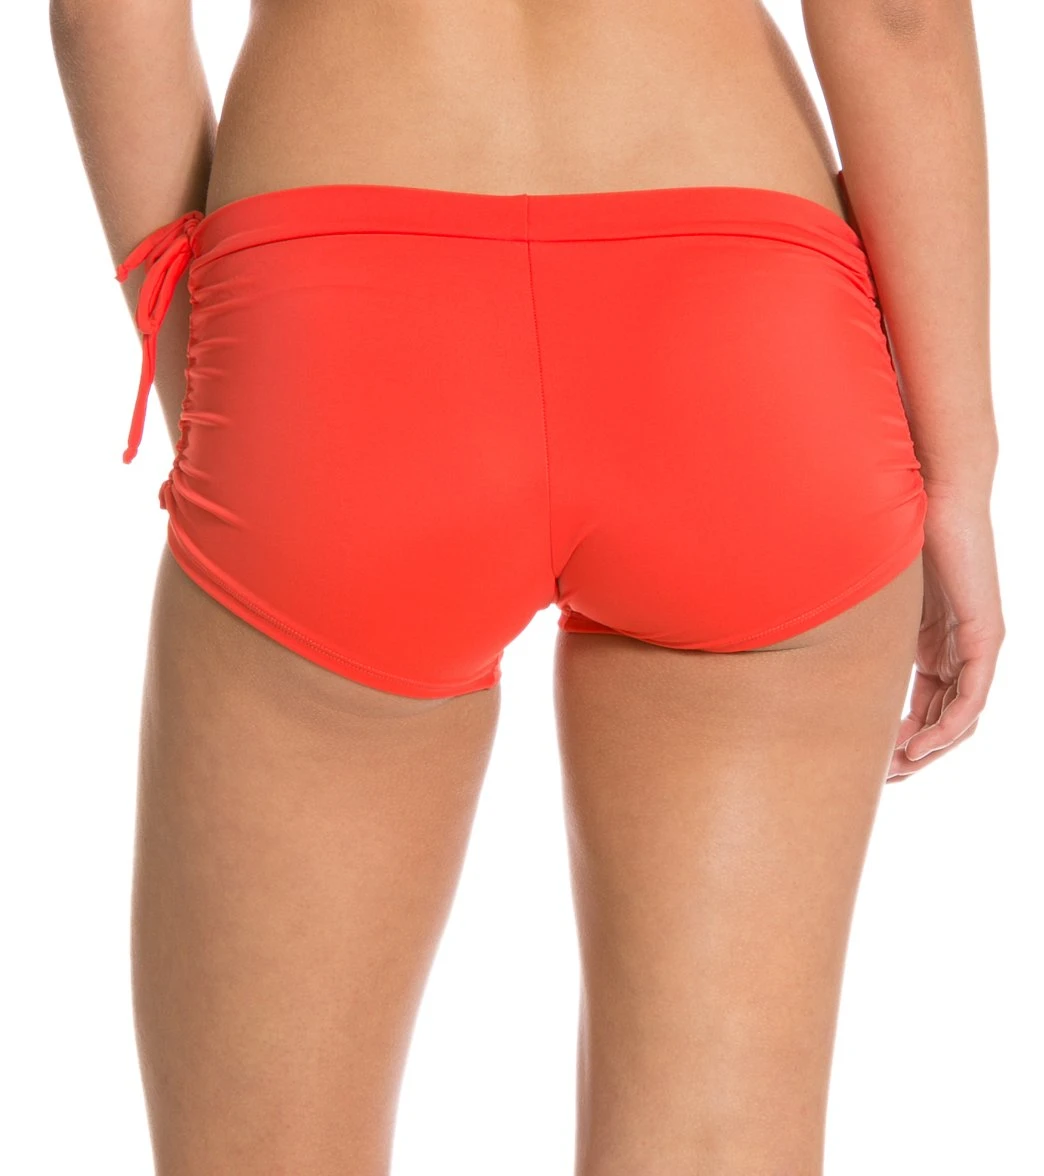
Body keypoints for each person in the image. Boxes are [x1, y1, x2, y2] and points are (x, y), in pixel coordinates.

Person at [51, 0, 1003, 1171]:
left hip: (343, 295)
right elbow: (897, 17)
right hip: (740, 311)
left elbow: (104, 12)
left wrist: (229, 384)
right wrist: (960, 472)